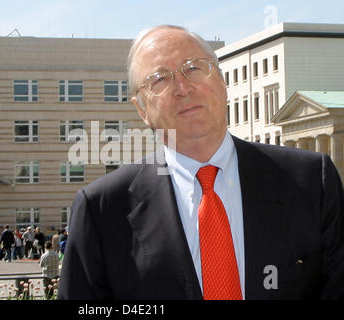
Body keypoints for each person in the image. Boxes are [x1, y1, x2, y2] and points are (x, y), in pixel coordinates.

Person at [57, 25, 344, 300]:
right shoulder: (101, 210)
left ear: (221, 81)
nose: (182, 87)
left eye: (194, 67)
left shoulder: (311, 182)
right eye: (159, 79)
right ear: (141, 109)